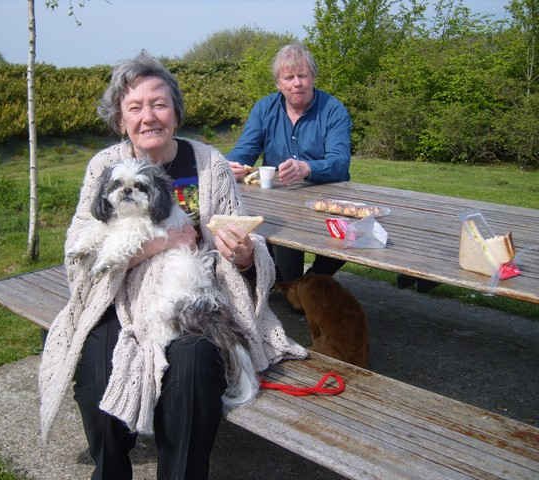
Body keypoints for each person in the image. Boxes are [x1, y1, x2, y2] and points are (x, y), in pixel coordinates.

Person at [38, 52, 306, 480]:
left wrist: (242, 254)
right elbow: (80, 253)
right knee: (95, 378)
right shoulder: (104, 167)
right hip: (116, 300)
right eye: (135, 107)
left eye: (159, 104)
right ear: (120, 119)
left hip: (190, 299)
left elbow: (244, 239)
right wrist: (161, 242)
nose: (149, 117)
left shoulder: (209, 164)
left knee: (196, 367)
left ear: (176, 113)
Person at [227, 43, 352, 282]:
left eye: (303, 75)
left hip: (326, 199)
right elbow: (245, 151)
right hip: (279, 204)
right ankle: (292, 285)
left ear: (313, 78)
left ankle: (312, 283)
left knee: (350, 239)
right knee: (288, 277)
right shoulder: (265, 108)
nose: (297, 83)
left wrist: (307, 168)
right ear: (278, 84)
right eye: (289, 77)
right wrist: (230, 166)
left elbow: (340, 163)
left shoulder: (333, 110)